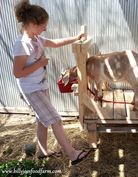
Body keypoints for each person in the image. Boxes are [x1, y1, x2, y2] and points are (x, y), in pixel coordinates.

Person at [13, 0, 91, 165]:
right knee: (55, 120)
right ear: (33, 24)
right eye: (43, 26)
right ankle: (72, 154)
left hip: (41, 86)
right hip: (32, 90)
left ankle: (42, 151)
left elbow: (55, 43)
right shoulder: (22, 45)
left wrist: (75, 38)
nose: (45, 29)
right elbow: (17, 73)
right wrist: (39, 64)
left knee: (43, 120)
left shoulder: (36, 38)